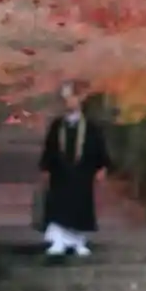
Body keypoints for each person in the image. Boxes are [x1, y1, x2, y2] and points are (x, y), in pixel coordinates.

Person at [39, 82, 109, 259]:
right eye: (65, 98)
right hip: (60, 174)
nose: (68, 102)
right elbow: (50, 148)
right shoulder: (57, 126)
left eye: (71, 97)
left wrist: (101, 167)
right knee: (59, 208)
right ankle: (58, 241)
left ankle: (78, 241)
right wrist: (45, 168)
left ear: (79, 99)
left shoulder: (91, 127)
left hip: (82, 174)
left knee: (79, 207)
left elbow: (99, 148)